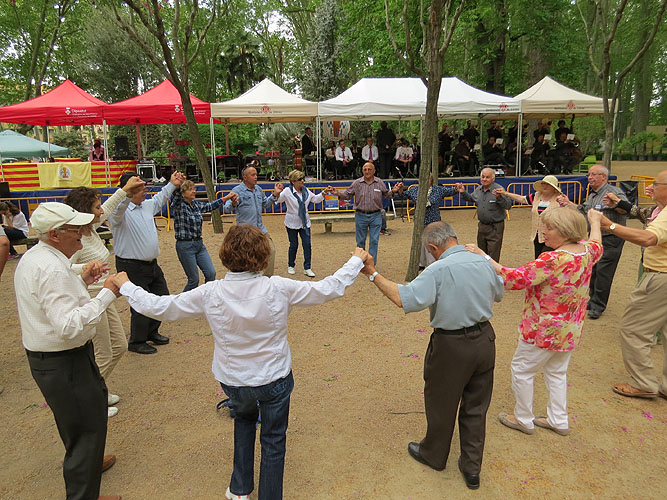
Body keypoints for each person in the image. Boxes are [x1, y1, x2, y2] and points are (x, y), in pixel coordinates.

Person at [111, 224, 369, 500]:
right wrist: (356, 260)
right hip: (274, 378)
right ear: (264, 256)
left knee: (244, 421)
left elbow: (160, 307)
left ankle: (240, 489)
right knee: (273, 440)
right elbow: (329, 288)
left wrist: (126, 285)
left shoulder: (211, 292)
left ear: (225, 254)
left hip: (234, 379)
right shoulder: (278, 287)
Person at [361, 221, 504, 490]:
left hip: (451, 344)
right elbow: (498, 294)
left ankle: (434, 454)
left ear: (433, 247)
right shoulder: (482, 260)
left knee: (441, 402)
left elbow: (404, 298)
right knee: (476, 406)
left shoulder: (438, 269)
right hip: (485, 339)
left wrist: (372, 273)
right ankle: (472, 467)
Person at [15, 202, 121, 500]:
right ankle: (83, 491)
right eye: (75, 229)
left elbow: (53, 300)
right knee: (86, 428)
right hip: (64, 360)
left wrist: (82, 280)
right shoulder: (51, 268)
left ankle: (88, 472)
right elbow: (69, 325)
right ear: (54, 234)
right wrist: (107, 294)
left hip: (55, 359)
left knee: (78, 425)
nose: (82, 234)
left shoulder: (39, 257)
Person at [467, 208, 603, 436]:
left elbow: (514, 278)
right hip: (569, 329)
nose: (543, 231)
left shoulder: (553, 259)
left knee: (522, 369)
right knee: (557, 372)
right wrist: (595, 221)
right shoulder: (586, 252)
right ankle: (559, 420)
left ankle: (523, 419)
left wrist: (484, 256)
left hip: (542, 330)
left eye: (549, 228)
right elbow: (597, 242)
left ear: (566, 231)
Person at [64, 177, 144, 417]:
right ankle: (88, 401)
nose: (101, 211)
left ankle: (97, 389)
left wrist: (125, 190)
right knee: (104, 353)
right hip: (90, 298)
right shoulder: (75, 237)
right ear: (84, 212)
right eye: (96, 207)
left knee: (119, 346)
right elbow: (63, 268)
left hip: (105, 296)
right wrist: (86, 267)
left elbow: (108, 207)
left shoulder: (91, 228)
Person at [592, 169, 667, 400]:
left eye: (655, 184)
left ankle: (644, 383)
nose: (649, 187)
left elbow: (648, 238)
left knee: (633, 329)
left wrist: (608, 225)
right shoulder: (658, 211)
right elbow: (639, 213)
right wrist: (618, 204)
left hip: (660, 277)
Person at [109, 170, 185, 354]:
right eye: (139, 187)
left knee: (161, 297)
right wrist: (126, 194)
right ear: (128, 190)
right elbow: (118, 210)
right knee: (140, 303)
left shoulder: (147, 205)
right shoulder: (119, 212)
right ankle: (137, 341)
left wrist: (172, 184)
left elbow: (161, 197)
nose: (144, 190)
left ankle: (151, 332)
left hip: (151, 264)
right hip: (131, 265)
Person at [557, 165, 628, 319]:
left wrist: (616, 205)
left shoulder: (614, 192)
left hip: (610, 238)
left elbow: (626, 210)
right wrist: (568, 203)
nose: (590, 177)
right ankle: (592, 300)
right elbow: (583, 210)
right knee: (593, 270)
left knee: (604, 272)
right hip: (595, 238)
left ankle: (598, 306)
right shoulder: (593, 195)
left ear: (604, 177)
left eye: (594, 174)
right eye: (588, 174)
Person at [170, 180, 238, 291]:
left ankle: (206, 296)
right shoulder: (179, 205)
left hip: (199, 244)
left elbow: (210, 206)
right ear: (183, 193)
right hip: (185, 246)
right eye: (190, 189)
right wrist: (178, 183)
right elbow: (176, 194)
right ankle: (183, 300)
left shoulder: (196, 204)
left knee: (211, 273)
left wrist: (226, 198)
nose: (193, 191)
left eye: (194, 189)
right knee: (194, 280)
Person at [335, 162, 402, 265]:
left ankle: (371, 265)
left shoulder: (379, 182)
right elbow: (347, 195)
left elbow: (387, 195)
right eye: (365, 169)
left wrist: (393, 191)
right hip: (361, 215)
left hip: (376, 215)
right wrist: (338, 193)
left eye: (369, 169)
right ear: (362, 171)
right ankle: (360, 264)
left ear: (374, 171)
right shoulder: (357, 183)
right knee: (360, 242)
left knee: (374, 241)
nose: (367, 171)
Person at [224, 165, 283, 277]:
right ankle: (248, 279)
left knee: (271, 251)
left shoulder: (258, 189)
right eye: (253, 175)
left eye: (256, 174)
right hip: (245, 231)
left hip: (260, 229)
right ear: (245, 177)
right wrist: (234, 204)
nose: (256, 177)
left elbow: (265, 204)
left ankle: (266, 278)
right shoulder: (237, 191)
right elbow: (226, 208)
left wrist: (275, 194)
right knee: (247, 256)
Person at [276, 170, 333, 277]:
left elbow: (315, 199)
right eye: (299, 179)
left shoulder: (306, 191)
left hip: (304, 223)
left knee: (307, 244)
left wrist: (324, 192)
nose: (302, 181)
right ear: (293, 181)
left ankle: (307, 267)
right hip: (291, 222)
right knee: (294, 245)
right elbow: (277, 200)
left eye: (303, 178)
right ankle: (291, 265)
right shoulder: (287, 191)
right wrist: (277, 192)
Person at [494, 175, 563, 258]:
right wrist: (505, 193)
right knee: (538, 257)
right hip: (537, 235)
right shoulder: (536, 196)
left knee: (547, 258)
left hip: (553, 235)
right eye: (544, 184)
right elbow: (522, 199)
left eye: (548, 184)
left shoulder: (560, 199)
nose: (545, 186)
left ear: (554, 188)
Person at [397, 174, 456, 267]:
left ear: (431, 181)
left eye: (427, 179)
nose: (424, 181)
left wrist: (457, 188)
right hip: (420, 221)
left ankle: (433, 264)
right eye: (422, 179)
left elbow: (451, 191)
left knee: (433, 242)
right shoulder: (414, 190)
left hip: (434, 221)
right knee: (421, 242)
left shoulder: (438, 190)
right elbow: (403, 195)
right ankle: (421, 263)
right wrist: (400, 189)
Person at [455, 168, 512, 261]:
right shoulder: (478, 189)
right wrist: (463, 192)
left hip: (495, 227)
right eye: (483, 177)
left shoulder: (499, 189)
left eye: (487, 177)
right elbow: (471, 198)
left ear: (493, 179)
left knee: (493, 255)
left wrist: (499, 198)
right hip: (482, 226)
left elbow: (508, 205)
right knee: (481, 254)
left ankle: (492, 270)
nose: (484, 179)